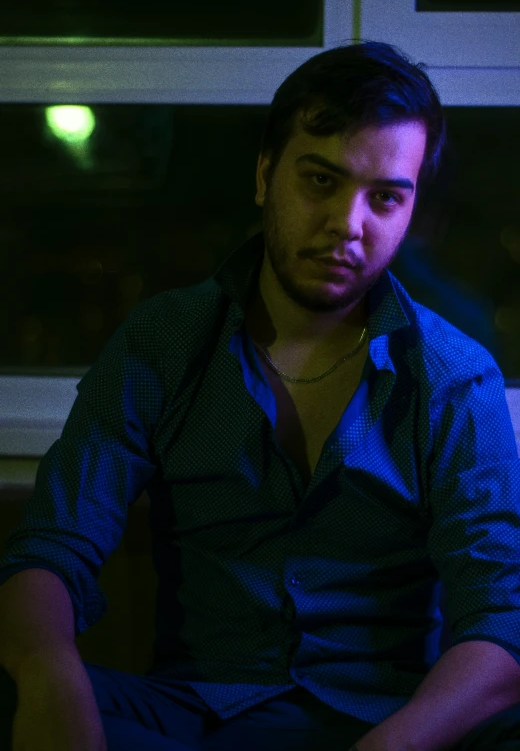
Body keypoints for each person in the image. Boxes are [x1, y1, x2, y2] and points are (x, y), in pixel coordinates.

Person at [1, 38, 520, 751]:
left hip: (381, 720)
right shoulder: (167, 340)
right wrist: (48, 671)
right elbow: (52, 547)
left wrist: (394, 745)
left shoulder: (456, 377)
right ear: (264, 175)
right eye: (319, 181)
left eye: (385, 198)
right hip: (189, 718)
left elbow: (501, 620)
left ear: (410, 212)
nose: (348, 222)